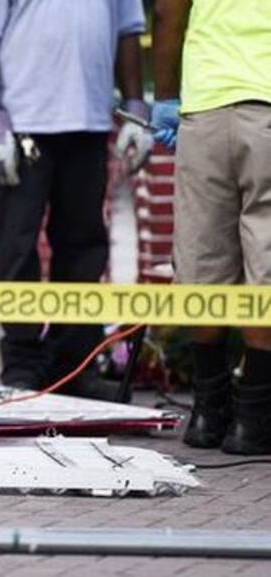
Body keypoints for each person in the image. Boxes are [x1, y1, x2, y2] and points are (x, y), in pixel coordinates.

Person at [0, 0, 152, 401]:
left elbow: (129, 30)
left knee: (83, 248)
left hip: (88, 123)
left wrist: (136, 110)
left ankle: (73, 366)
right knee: (16, 246)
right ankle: (23, 365)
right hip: (21, 126)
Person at [153, 0, 271, 454]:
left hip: (204, 110)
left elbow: (167, 13)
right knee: (265, 265)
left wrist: (166, 99)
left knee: (203, 263)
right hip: (265, 113)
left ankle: (207, 413)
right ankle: (253, 420)